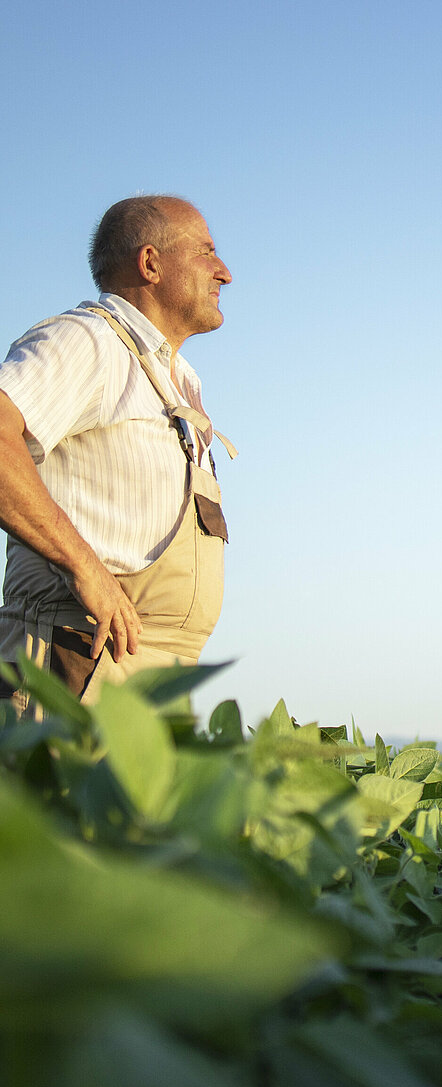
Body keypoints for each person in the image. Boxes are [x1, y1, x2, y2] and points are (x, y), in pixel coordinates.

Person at [0, 195, 235, 715]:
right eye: (206, 252)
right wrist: (83, 565)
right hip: (73, 666)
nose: (225, 273)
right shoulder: (89, 342)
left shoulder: (181, 382)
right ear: (150, 263)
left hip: (154, 683)